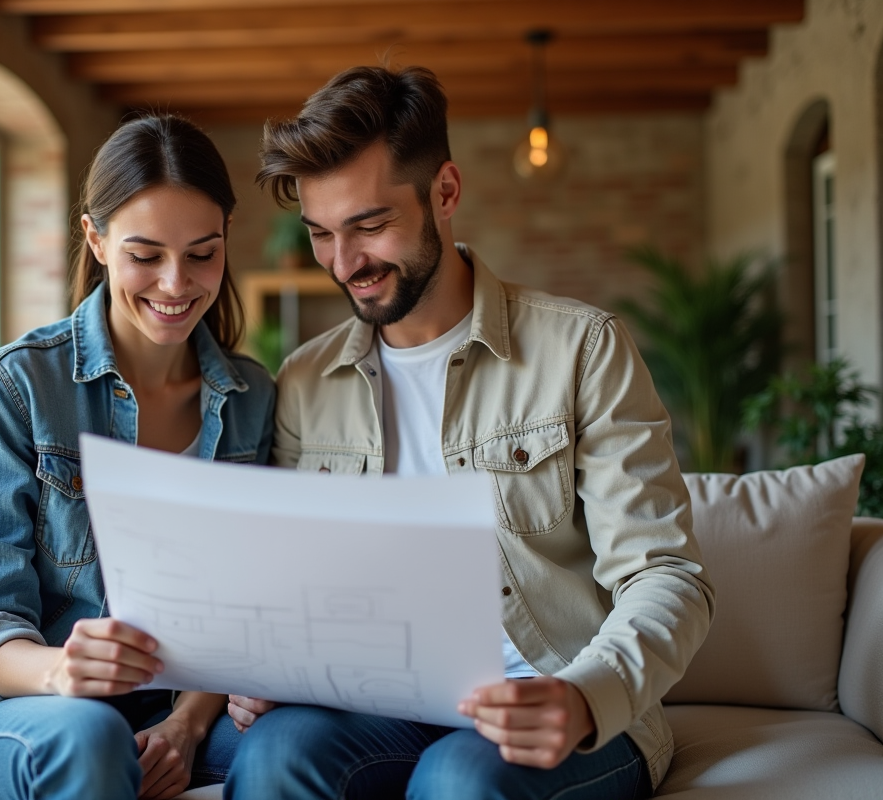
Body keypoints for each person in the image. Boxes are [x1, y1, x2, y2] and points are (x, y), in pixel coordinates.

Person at [224, 66, 715, 800]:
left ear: (445, 193)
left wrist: (585, 698)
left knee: (458, 779)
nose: (345, 264)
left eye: (370, 225)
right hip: (381, 704)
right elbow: (303, 584)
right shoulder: (303, 380)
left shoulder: (583, 349)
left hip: (560, 707)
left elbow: (666, 576)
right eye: (322, 234)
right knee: (271, 755)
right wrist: (264, 666)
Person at [0, 114, 275, 800]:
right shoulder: (16, 386)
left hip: (170, 704)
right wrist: (64, 672)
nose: (176, 284)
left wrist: (186, 724)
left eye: (202, 253)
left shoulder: (252, 398)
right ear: (95, 238)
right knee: (92, 736)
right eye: (145, 254)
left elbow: (247, 606)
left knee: (308, 738)